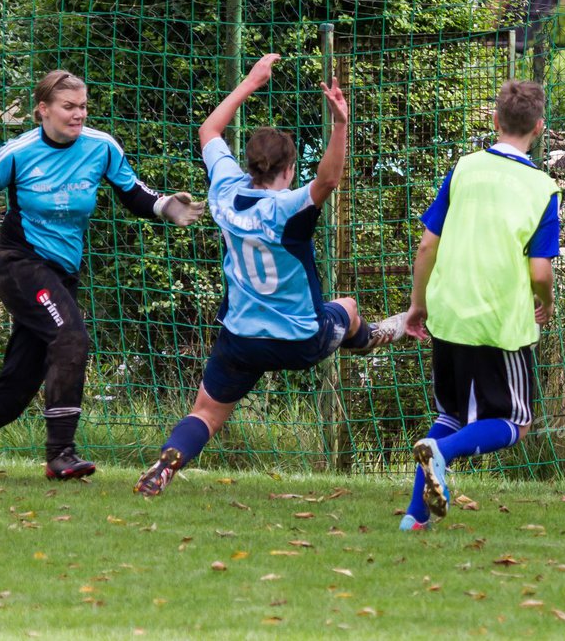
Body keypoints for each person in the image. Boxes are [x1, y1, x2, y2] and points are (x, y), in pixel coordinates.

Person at [134, 53, 407, 497]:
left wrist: (249, 82)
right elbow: (330, 179)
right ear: (289, 169)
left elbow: (209, 131)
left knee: (204, 413)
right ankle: (376, 335)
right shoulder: (290, 207)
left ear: (250, 165)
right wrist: (340, 124)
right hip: (300, 339)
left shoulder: (224, 191)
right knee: (349, 308)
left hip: (241, 339)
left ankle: (166, 464)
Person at [0, 70, 205, 480]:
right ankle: (61, 455)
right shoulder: (19, 151)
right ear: (43, 110)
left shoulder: (101, 147)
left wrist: (165, 207)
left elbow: (133, 192)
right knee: (71, 336)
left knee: (18, 386)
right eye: (68, 107)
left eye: (83, 107)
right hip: (20, 264)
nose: (78, 115)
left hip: (62, 275)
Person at [399, 79, 560, 530]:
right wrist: (544, 303)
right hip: (497, 323)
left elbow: (427, 246)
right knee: (516, 420)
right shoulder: (541, 186)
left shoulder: (464, 169)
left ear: (495, 120)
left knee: (450, 413)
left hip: (448, 314)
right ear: (539, 128)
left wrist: (418, 305)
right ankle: (442, 454)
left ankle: (414, 520)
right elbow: (540, 272)